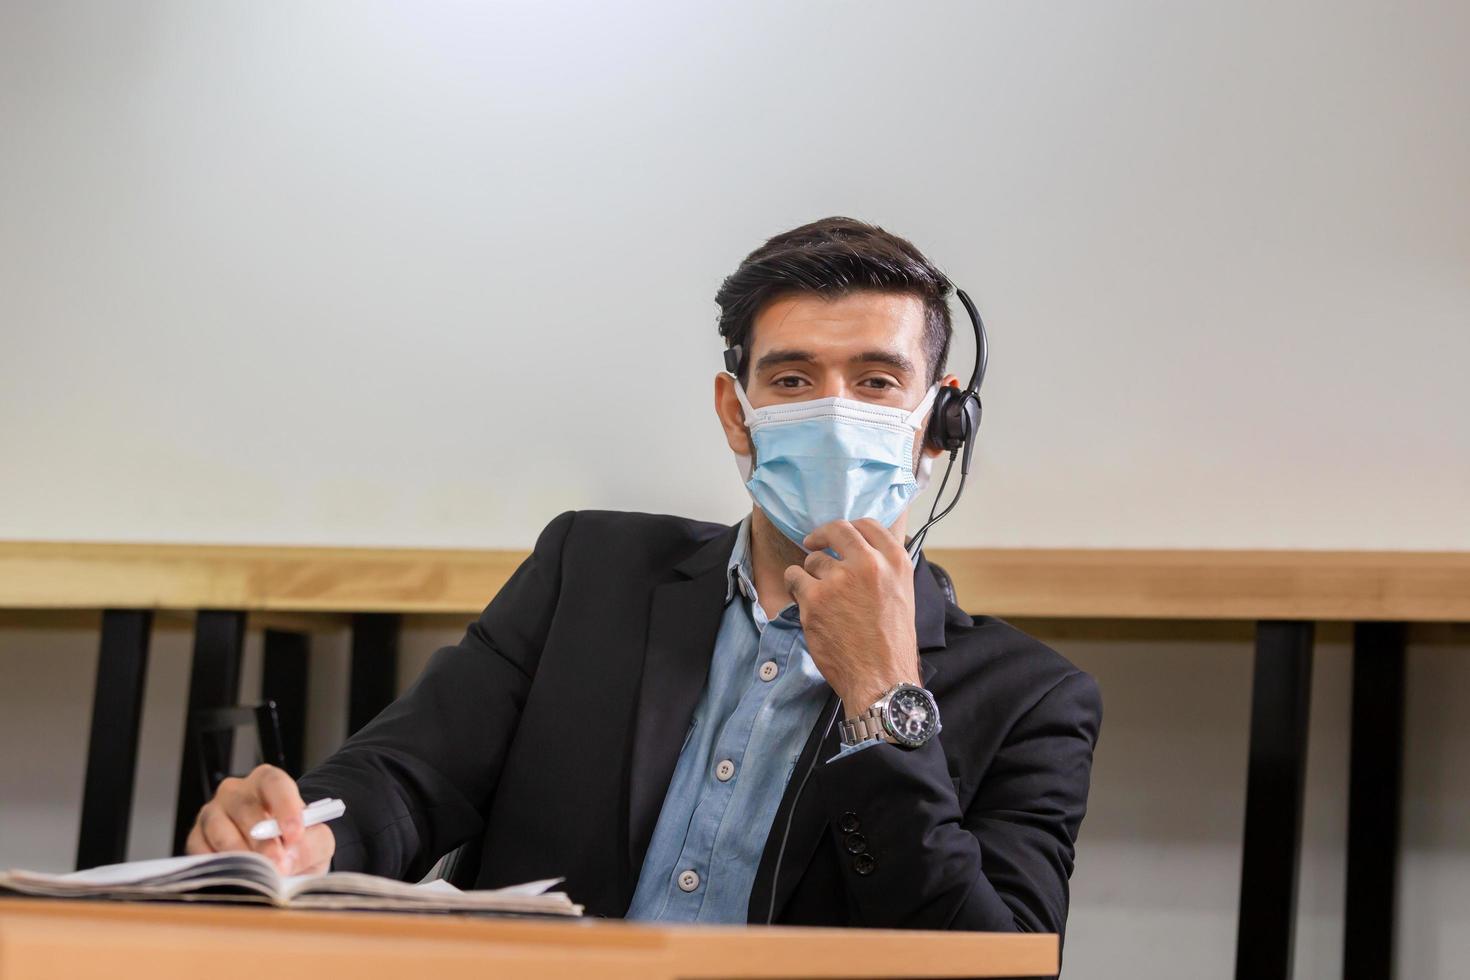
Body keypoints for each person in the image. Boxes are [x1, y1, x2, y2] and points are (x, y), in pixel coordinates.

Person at [187, 216, 1102, 936]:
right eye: (791, 380)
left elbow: (991, 961)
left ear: (943, 424)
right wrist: (306, 838)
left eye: (874, 382)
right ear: (734, 412)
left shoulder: (1033, 701)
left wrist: (882, 698)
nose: (831, 412)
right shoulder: (589, 571)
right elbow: (407, 779)